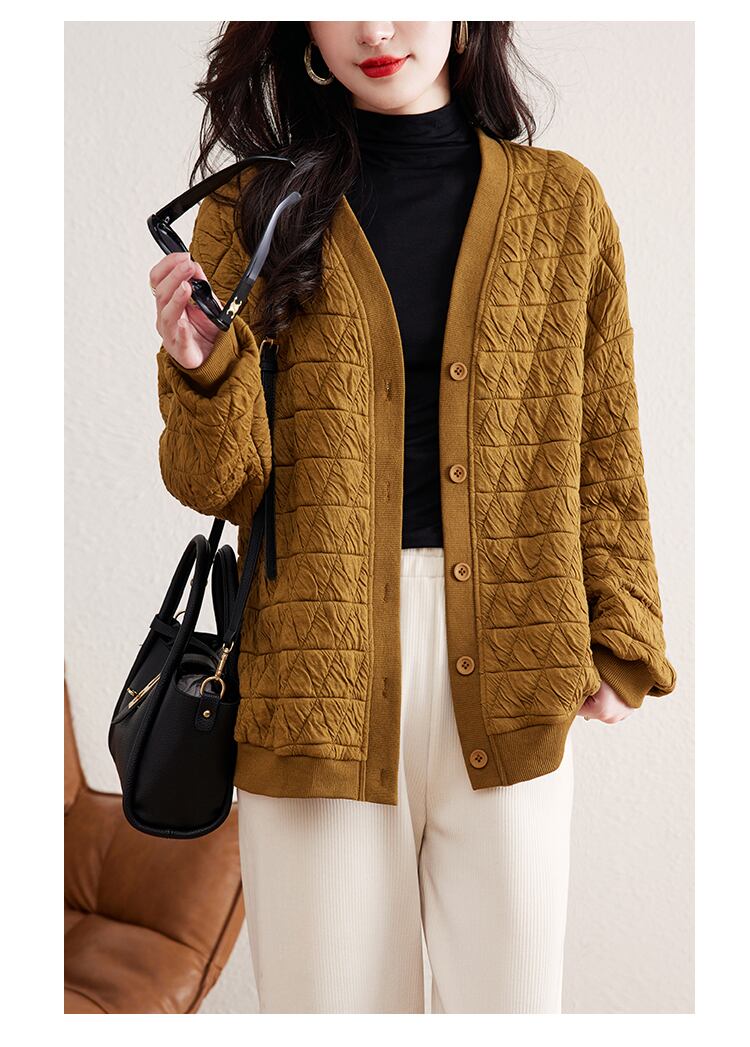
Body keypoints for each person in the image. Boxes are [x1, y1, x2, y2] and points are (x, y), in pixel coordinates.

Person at [149, 21, 677, 1014]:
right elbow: (217, 483)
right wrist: (200, 372)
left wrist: (624, 627)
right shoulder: (250, 209)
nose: (377, 28)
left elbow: (606, 437)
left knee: (510, 1013)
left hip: (516, 658)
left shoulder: (564, 205)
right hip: (315, 674)